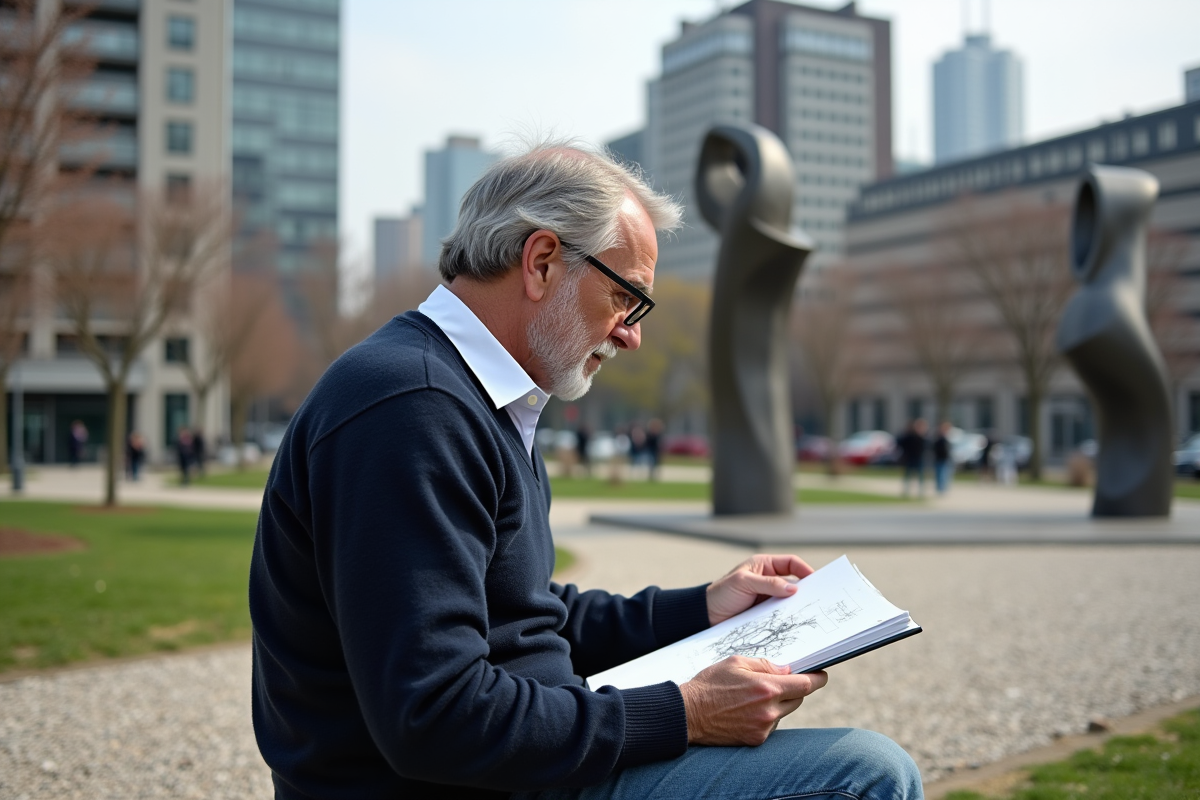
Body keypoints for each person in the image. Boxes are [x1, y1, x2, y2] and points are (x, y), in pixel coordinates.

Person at [248, 141, 922, 799]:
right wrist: (686, 713)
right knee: (862, 772)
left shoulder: (474, 396)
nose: (632, 333)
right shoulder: (414, 409)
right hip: (485, 780)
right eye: (626, 296)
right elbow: (433, 716)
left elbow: (522, 612)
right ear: (541, 262)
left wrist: (699, 609)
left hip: (525, 765)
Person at [896, 418, 928, 497]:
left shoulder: (923, 437)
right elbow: (900, 443)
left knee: (920, 475)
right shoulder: (910, 436)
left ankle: (921, 491)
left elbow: (927, 447)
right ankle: (906, 490)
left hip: (919, 458)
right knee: (908, 475)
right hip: (910, 458)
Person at [931, 421, 953, 495]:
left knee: (944, 474)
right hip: (940, 458)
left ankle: (943, 488)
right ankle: (940, 488)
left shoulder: (946, 438)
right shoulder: (939, 439)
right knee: (940, 474)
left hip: (945, 458)